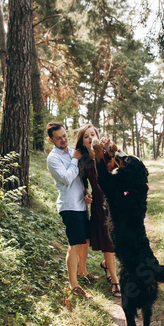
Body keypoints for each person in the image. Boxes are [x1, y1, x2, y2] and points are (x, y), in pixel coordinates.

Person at [46, 121, 97, 299]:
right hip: (69, 207)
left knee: (86, 240)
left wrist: (86, 193)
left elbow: (80, 178)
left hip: (80, 204)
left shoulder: (72, 152)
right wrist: (75, 159)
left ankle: (82, 272)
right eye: (58, 138)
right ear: (51, 139)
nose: (63, 140)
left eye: (65, 135)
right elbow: (67, 178)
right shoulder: (53, 159)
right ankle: (73, 285)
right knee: (74, 245)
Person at [75, 124, 121, 297]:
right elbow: (82, 185)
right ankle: (115, 281)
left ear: (97, 136)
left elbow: (120, 160)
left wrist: (110, 146)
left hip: (115, 200)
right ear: (82, 141)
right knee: (108, 242)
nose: (90, 137)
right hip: (99, 204)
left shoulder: (106, 153)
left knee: (117, 239)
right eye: (86, 136)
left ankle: (107, 266)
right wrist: (86, 194)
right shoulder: (84, 161)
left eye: (92, 134)